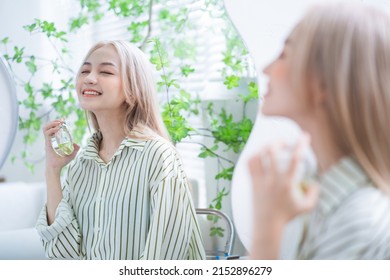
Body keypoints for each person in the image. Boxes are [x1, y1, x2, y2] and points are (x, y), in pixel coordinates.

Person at [36, 40, 205, 260]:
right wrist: (52, 170)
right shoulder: (80, 166)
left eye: (105, 71)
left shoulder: (158, 156)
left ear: (133, 89)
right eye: (85, 70)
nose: (89, 78)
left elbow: (164, 258)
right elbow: (63, 256)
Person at [248, 2, 390, 260]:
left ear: (323, 82)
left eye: (284, 54)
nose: (265, 69)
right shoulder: (316, 197)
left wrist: (267, 226)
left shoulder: (359, 221)